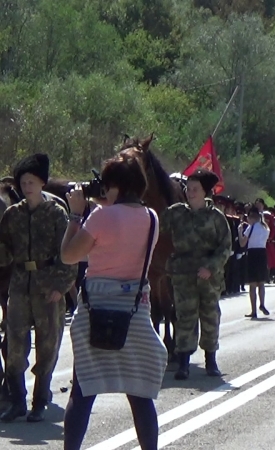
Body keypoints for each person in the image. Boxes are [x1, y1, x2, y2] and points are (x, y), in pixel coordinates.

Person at [59, 152, 167, 449]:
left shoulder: (101, 216)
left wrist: (75, 216)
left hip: (95, 309)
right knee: (140, 396)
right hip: (134, 312)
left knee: (82, 392)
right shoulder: (151, 218)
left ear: (114, 184)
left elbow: (68, 255)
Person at [0, 153, 78, 423]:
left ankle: (40, 402)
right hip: (20, 284)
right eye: (23, 182)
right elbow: (5, 252)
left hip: (49, 285)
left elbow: (68, 254)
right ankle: (17, 400)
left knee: (48, 345)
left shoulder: (56, 214)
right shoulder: (12, 215)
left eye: (32, 181)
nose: (27, 187)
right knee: (14, 345)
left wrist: (61, 285)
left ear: (42, 183)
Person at [161, 169, 232, 380]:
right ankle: (183, 362)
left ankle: (211, 360)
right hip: (183, 274)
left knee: (210, 317)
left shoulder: (216, 217)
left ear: (205, 192)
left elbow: (225, 247)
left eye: (195, 189)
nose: (190, 193)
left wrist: (210, 267)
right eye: (188, 189)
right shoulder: (175, 213)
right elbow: (155, 226)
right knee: (184, 318)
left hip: (209, 276)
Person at [238, 209, 270, 318]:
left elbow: (242, 243)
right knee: (261, 283)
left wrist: (239, 231)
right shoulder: (265, 228)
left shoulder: (251, 228)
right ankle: (262, 304)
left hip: (252, 254)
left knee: (252, 284)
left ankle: (253, 310)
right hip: (262, 253)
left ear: (252, 217)